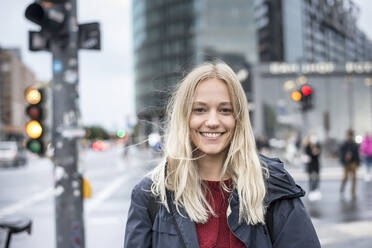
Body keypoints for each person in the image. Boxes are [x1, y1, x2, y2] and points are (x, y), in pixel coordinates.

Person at [124, 62, 320, 247]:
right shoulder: (149, 195)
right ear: (184, 117)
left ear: (239, 118)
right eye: (199, 110)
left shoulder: (273, 186)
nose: (212, 121)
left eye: (225, 110)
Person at [339, 129, 360, 198]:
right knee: (345, 177)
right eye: (349, 135)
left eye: (351, 135)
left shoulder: (355, 144)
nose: (350, 136)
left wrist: (358, 163)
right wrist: (345, 156)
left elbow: (357, 154)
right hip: (346, 163)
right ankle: (342, 187)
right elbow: (341, 153)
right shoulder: (344, 143)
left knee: (354, 178)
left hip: (353, 163)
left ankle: (353, 191)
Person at [303, 133, 321, 201]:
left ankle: (316, 190)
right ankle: (311, 191)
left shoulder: (317, 145)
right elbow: (308, 154)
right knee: (310, 178)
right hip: (310, 164)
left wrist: (315, 150)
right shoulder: (307, 146)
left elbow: (317, 154)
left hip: (316, 164)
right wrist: (313, 152)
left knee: (316, 178)